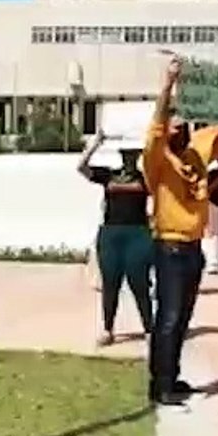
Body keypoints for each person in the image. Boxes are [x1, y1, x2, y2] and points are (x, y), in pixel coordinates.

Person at [141, 57, 218, 406]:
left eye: (179, 124)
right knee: (167, 317)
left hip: (193, 249)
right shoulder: (156, 160)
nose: (175, 128)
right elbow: (156, 124)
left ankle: (173, 376)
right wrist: (168, 84)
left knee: (182, 317)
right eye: (172, 124)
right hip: (169, 247)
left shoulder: (197, 152)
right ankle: (160, 385)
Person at [78, 131, 154, 347]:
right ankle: (107, 328)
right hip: (111, 233)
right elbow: (81, 168)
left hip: (138, 233)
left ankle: (149, 328)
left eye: (133, 156)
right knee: (111, 282)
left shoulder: (145, 178)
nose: (129, 159)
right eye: (126, 155)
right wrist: (93, 146)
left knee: (139, 282)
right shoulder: (109, 176)